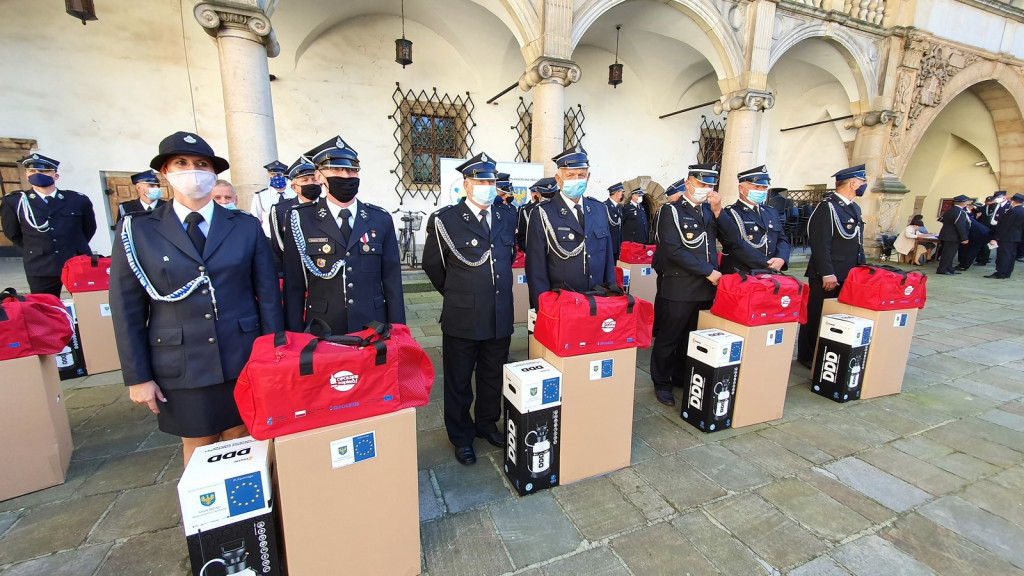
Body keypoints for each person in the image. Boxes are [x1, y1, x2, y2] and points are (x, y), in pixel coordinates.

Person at [108, 131, 283, 466]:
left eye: (201, 164)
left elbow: (268, 297)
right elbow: (127, 308)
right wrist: (138, 376)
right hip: (182, 360)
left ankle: (252, 516)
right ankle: (207, 515)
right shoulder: (138, 230)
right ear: (166, 171)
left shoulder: (244, 226)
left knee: (244, 438)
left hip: (241, 355)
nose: (193, 170)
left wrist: (274, 354)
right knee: (199, 445)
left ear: (213, 173)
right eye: (182, 163)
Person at [422, 152, 516, 466]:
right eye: (481, 181)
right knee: (459, 381)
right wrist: (460, 294)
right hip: (462, 317)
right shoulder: (445, 220)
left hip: (499, 313)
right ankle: (461, 436)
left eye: (491, 181)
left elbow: (507, 258)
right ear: (466, 184)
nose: (488, 186)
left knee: (492, 376)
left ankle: (487, 423)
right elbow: (434, 267)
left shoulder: (506, 216)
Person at [281, 136, 405, 334]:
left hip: (372, 324)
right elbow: (294, 284)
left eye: (351, 170)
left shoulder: (379, 218)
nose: (346, 176)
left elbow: (392, 282)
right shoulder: (301, 219)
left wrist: (398, 331)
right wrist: (295, 335)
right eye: (337, 169)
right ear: (319, 176)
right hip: (323, 325)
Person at [649, 164, 722, 407]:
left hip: (705, 288)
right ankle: (662, 382)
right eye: (702, 184)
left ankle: (681, 376)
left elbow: (726, 238)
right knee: (670, 337)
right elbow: (674, 250)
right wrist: (708, 271)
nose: (706, 189)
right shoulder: (671, 210)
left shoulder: (709, 212)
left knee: (691, 337)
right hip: (680, 286)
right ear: (688, 183)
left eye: (710, 185)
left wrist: (718, 208)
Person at [525, 145, 615, 309]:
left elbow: (608, 260)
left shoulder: (599, 209)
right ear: (558, 179)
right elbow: (536, 269)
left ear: (588, 177)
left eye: (581, 175)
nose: (577, 179)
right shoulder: (543, 213)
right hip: (562, 305)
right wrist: (544, 308)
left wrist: (611, 298)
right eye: (570, 175)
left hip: (597, 303)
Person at [797, 164, 867, 369]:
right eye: (862, 182)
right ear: (853, 183)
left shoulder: (854, 208)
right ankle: (807, 355)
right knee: (817, 316)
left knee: (837, 315)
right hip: (828, 273)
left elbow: (857, 241)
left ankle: (829, 350)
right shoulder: (827, 207)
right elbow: (820, 243)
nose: (863, 186)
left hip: (849, 271)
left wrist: (861, 268)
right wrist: (827, 273)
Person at [0, 153, 97, 297]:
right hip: (40, 265)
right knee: (46, 309)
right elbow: (13, 233)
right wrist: (36, 248)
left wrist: (74, 246)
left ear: (55, 176)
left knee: (88, 304)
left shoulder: (77, 200)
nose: (38, 174)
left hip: (76, 260)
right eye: (32, 171)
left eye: (44, 171)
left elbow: (89, 228)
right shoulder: (15, 202)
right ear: (26, 175)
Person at [717, 165, 791, 274]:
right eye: (756, 187)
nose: (762, 191)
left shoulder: (771, 211)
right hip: (742, 274)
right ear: (741, 188)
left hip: (770, 273)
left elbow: (782, 239)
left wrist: (781, 258)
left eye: (764, 187)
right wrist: (768, 264)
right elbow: (735, 246)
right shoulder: (731, 213)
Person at [269, 157, 320, 264]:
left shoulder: (329, 206)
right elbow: (278, 247)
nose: (311, 183)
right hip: (295, 265)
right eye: (305, 180)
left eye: (314, 179)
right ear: (294, 187)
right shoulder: (281, 210)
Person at [249, 160, 295, 238]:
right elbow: (256, 221)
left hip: (293, 237)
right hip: (270, 239)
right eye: (272, 174)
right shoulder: (260, 196)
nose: (276, 177)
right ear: (268, 177)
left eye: (279, 174)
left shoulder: (295, 193)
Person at [986, 192, 1024, 279]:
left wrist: (996, 238)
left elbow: (1005, 226)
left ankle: (1000, 273)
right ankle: (1007, 272)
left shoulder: (1012, 211)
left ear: (1013, 201)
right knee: (1011, 255)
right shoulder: (1022, 210)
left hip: (1006, 237)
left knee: (1003, 255)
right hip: (1016, 237)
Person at [515, 177, 557, 253]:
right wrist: (533, 252)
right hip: (536, 254)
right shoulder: (528, 210)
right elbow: (522, 238)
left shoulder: (564, 208)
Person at [936, 197, 971, 275]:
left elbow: (942, 220)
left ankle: (949, 268)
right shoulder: (959, 212)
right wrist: (964, 238)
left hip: (946, 235)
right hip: (952, 236)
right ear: (963, 203)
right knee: (948, 254)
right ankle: (942, 269)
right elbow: (960, 225)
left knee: (948, 253)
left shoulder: (950, 210)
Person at [957, 201, 991, 271]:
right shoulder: (967, 214)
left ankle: (963, 266)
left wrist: (964, 238)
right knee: (971, 250)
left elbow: (965, 228)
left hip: (979, 234)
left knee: (971, 250)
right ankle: (963, 264)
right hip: (982, 232)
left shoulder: (964, 215)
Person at [605, 183, 624, 262]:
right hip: (608, 245)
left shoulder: (619, 207)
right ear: (616, 193)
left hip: (618, 244)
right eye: (622, 192)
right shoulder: (605, 206)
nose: (623, 194)